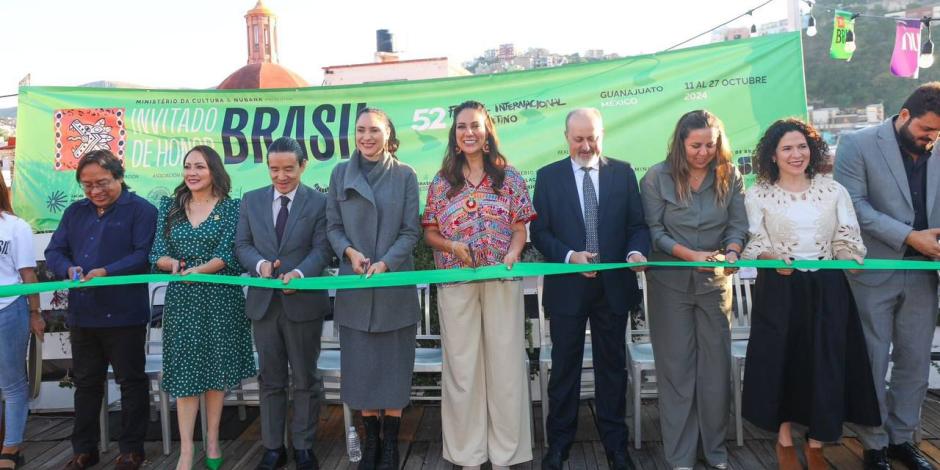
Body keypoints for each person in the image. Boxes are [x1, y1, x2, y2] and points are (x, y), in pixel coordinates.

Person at [742, 118, 880, 470]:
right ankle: (784, 440)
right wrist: (772, 257)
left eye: (802, 146)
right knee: (782, 359)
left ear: (813, 149)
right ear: (772, 154)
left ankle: (817, 443)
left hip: (828, 288)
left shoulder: (833, 190)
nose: (796, 154)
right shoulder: (758, 192)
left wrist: (850, 255)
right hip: (779, 287)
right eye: (787, 148)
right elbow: (754, 241)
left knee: (826, 361)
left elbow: (846, 237)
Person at [530, 108, 650, 470]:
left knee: (612, 369)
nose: (586, 145)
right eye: (578, 138)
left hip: (613, 288)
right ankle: (559, 445)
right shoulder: (548, 177)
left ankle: (616, 446)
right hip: (568, 288)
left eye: (592, 137)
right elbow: (540, 232)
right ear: (566, 138)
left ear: (602, 134)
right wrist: (569, 256)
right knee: (564, 369)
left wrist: (634, 251)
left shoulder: (623, 172)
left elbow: (637, 224)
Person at [421, 100, 535, 470]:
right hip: (456, 281)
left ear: (487, 133)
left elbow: (521, 228)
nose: (468, 132)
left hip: (502, 278)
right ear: (454, 136)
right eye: (461, 127)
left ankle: (507, 453)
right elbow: (430, 234)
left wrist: (513, 254)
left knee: (505, 367)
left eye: (475, 126)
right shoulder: (441, 182)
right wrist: (453, 245)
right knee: (463, 368)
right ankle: (467, 453)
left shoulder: (510, 177)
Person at [834, 83, 940, 470]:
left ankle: (902, 439)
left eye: (939, 134)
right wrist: (909, 236)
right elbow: (852, 206)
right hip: (873, 271)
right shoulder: (856, 143)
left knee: (914, 362)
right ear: (905, 116)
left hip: (926, 274)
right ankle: (874, 443)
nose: (931, 141)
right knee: (873, 362)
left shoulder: (937, 142)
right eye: (927, 132)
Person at [638, 110, 746, 470]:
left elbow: (737, 226)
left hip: (716, 286)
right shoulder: (656, 177)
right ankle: (680, 455)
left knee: (716, 372)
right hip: (669, 284)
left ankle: (715, 451)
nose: (702, 152)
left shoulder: (730, 175)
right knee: (677, 371)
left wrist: (732, 252)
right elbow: (654, 232)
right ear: (680, 142)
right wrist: (689, 255)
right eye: (695, 145)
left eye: (709, 145)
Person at [45, 149, 157, 470]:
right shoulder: (75, 212)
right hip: (84, 314)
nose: (95, 190)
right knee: (86, 384)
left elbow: (143, 255)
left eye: (102, 182)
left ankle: (132, 449)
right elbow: (55, 250)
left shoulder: (142, 210)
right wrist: (68, 269)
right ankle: (85, 449)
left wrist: (106, 272)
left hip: (124, 313)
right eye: (87, 184)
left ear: (119, 176)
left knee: (131, 382)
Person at [150, 146, 256, 470]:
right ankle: (185, 450)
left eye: (200, 166)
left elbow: (229, 253)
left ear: (214, 171)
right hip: (183, 302)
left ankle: (211, 440)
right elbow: (157, 254)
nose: (192, 172)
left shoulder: (232, 207)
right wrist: (174, 265)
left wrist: (199, 270)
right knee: (185, 377)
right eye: (187, 166)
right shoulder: (169, 207)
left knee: (215, 374)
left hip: (220, 300)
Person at [326, 108, 421, 470]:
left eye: (374, 131)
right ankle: (371, 444)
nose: (367, 137)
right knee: (362, 369)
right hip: (355, 286)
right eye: (361, 130)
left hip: (393, 287)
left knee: (395, 368)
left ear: (388, 134)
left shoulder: (406, 175)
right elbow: (332, 227)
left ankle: (392, 444)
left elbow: (411, 231)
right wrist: (348, 252)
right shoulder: (339, 173)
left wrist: (386, 264)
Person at [234, 136, 332, 470]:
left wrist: (301, 274)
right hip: (264, 305)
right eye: (274, 169)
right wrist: (260, 266)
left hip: (302, 304)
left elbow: (322, 249)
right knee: (270, 379)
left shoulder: (319, 203)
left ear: (303, 166)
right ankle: (273, 447)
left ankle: (304, 447)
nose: (281, 176)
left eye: (288, 169)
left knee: (305, 379)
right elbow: (242, 245)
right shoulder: (250, 201)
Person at [0, 172, 43, 470]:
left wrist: (35, 313)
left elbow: (28, 275)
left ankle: (11, 447)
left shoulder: (16, 227)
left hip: (9, 309)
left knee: (13, 384)